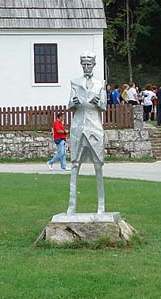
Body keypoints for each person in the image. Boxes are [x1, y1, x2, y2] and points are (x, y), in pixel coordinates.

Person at [67, 53, 107, 215]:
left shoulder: (100, 84)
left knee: (98, 165)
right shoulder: (75, 83)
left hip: (94, 126)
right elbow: (70, 104)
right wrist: (73, 102)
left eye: (89, 65)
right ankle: (71, 205)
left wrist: (99, 102)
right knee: (75, 165)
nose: (86, 67)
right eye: (84, 65)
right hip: (78, 126)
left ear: (94, 65)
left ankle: (101, 205)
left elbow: (104, 105)